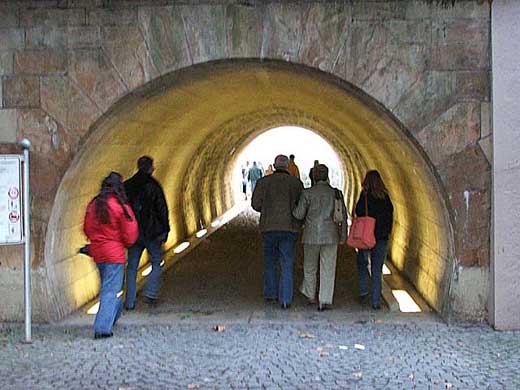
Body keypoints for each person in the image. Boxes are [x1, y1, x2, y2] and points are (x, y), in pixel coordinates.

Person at [83, 172, 138, 339]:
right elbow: (130, 233)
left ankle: (112, 315)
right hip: (114, 254)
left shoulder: (94, 205)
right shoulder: (120, 206)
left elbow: (87, 228)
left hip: (98, 252)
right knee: (110, 289)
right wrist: (123, 243)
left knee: (108, 287)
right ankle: (102, 327)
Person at [293, 164, 348, 311]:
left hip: (311, 236)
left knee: (310, 267)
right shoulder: (336, 193)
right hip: (331, 236)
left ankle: (311, 295)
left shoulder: (307, 193)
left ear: (314, 176)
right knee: (328, 267)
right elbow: (343, 216)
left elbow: (298, 214)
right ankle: (325, 300)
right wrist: (343, 236)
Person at [252, 155, 303, 309]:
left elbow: (255, 204)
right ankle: (285, 299)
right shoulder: (296, 183)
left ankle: (270, 295)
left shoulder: (263, 182)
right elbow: (302, 206)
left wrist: (267, 210)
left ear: (274, 166)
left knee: (270, 262)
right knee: (287, 263)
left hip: (269, 228)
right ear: (287, 167)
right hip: (290, 228)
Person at [124, 156, 170, 309]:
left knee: (131, 267)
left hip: (133, 234)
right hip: (152, 233)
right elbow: (162, 209)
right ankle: (150, 293)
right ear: (150, 168)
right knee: (157, 262)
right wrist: (165, 229)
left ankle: (129, 302)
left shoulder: (128, 186)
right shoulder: (154, 185)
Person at [354, 170, 393, 310]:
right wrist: (385, 232)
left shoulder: (365, 196)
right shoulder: (385, 197)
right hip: (381, 238)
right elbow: (390, 216)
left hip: (365, 236)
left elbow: (358, 211)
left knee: (362, 263)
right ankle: (376, 301)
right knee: (377, 270)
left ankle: (363, 290)